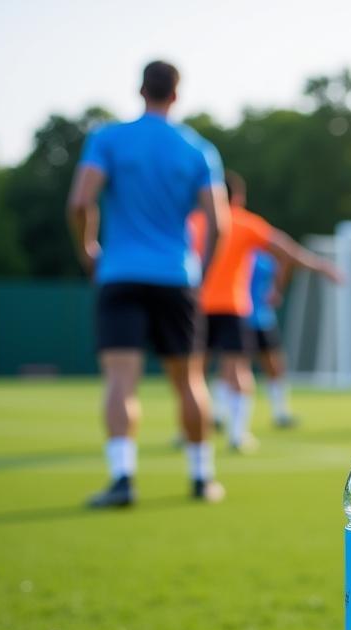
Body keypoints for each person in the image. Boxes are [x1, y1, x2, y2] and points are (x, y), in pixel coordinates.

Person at [67, 60, 229, 507]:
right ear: (177, 94)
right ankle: (202, 479)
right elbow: (221, 223)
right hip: (176, 277)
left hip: (119, 274)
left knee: (121, 381)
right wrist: (201, 273)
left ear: (141, 90)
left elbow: (81, 201)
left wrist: (89, 250)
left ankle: (123, 478)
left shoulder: (109, 138)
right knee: (190, 380)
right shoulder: (198, 149)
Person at [189, 171, 340, 452]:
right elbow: (288, 251)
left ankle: (192, 429)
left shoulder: (193, 222)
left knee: (193, 373)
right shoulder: (245, 223)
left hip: (196, 307)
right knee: (236, 369)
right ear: (237, 196)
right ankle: (237, 434)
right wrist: (323, 267)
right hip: (233, 307)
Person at [248, 250, 297, 427]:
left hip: (263, 318)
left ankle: (281, 411)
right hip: (236, 316)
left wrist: (276, 289)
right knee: (233, 367)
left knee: (274, 365)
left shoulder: (264, 256)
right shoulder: (235, 251)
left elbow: (288, 257)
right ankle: (220, 414)